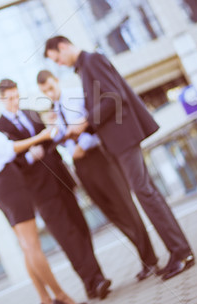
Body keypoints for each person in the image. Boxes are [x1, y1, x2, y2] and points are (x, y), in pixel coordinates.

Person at [44, 35, 195, 281]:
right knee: (149, 192)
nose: (59, 63)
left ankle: (181, 252)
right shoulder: (84, 67)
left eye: (57, 58)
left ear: (63, 47)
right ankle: (180, 251)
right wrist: (84, 127)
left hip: (123, 137)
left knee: (145, 194)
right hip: (119, 139)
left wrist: (85, 122)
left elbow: (114, 97)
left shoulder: (91, 61)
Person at [0, 86, 82, 304]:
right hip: (10, 182)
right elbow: (8, 149)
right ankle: (61, 296)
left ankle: (45, 298)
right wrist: (40, 137)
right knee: (33, 245)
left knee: (26, 246)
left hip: (0, 186)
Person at [0, 79, 111, 300]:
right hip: (39, 190)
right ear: (1, 99)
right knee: (67, 235)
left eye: (16, 96)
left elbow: (51, 141)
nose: (14, 102)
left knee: (81, 227)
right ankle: (95, 280)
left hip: (60, 179)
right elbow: (6, 158)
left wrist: (55, 129)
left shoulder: (32, 114)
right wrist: (28, 157)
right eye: (9, 99)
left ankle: (94, 281)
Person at [36, 70, 159, 281]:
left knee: (124, 206)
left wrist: (82, 145)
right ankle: (144, 256)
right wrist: (56, 130)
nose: (49, 93)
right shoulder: (55, 111)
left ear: (57, 81)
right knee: (111, 213)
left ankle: (150, 259)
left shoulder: (77, 94)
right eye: (44, 92)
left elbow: (95, 123)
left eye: (50, 88)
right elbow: (64, 139)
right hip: (81, 166)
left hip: (99, 158)